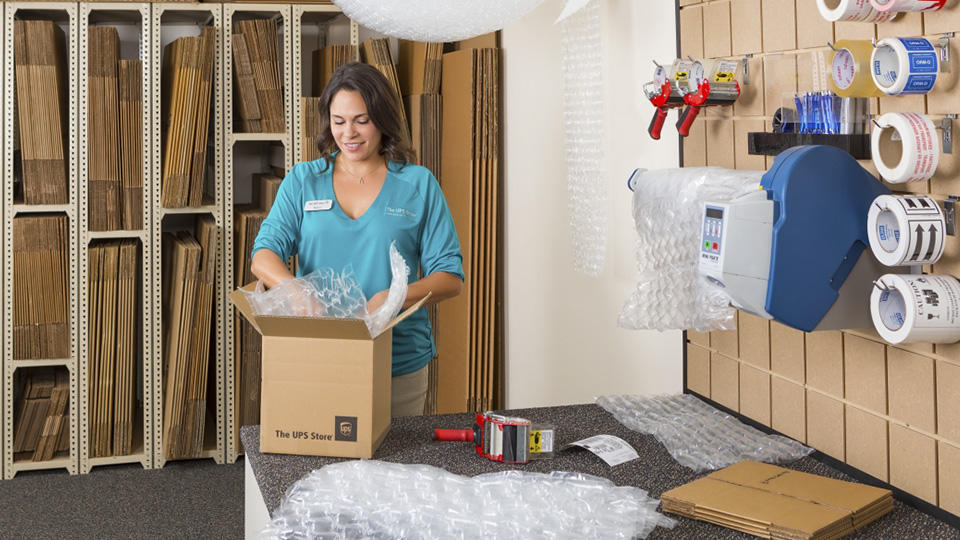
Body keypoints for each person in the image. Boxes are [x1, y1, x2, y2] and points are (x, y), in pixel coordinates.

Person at [250, 62, 464, 417]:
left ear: (382, 119)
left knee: (392, 468)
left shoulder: (418, 184)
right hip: (320, 357)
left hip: (397, 361)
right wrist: (296, 289)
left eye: (361, 120)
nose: (348, 133)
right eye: (338, 121)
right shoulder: (304, 180)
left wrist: (393, 297)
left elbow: (450, 277)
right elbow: (264, 255)